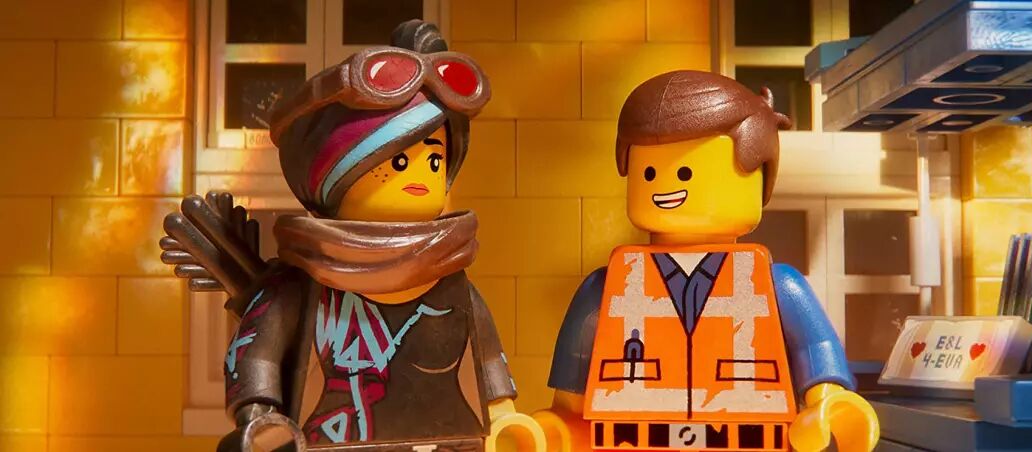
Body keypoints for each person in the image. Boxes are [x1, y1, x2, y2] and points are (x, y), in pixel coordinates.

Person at [162, 20, 543, 452]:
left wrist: (503, 415)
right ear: (336, 175)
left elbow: (486, 359)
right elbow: (258, 354)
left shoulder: (450, 279)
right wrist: (260, 416)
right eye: (398, 162)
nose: (422, 174)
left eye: (435, 160)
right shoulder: (302, 283)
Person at [533, 70, 879, 452]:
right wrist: (559, 426)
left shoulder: (776, 285)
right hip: (634, 437)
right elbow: (571, 393)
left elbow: (813, 347)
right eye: (649, 172)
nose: (667, 186)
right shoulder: (606, 288)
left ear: (757, 175)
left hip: (746, 437)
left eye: (686, 171)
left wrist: (826, 402)